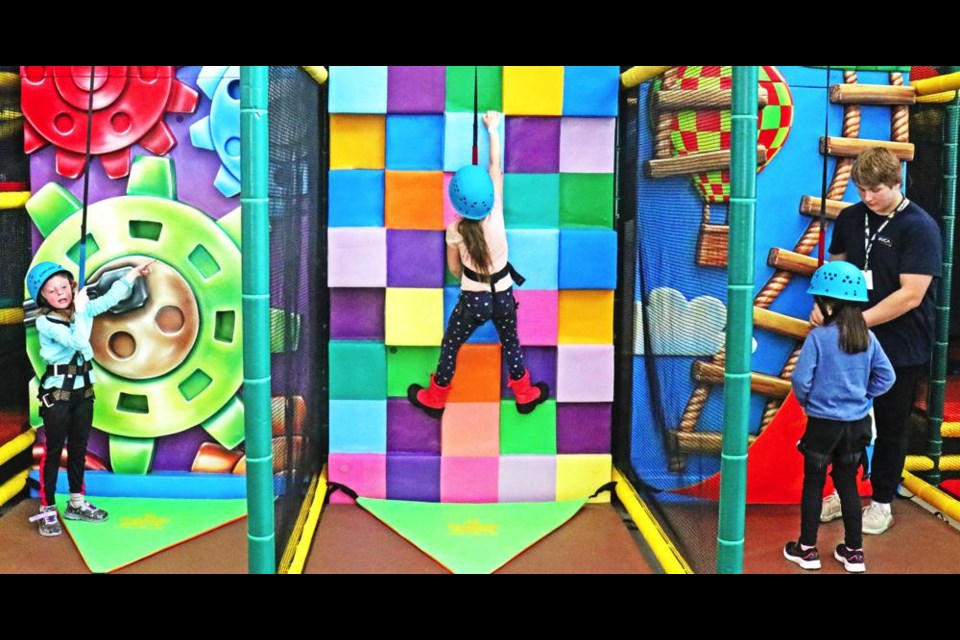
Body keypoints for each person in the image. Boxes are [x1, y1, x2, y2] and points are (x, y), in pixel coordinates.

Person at [814, 147, 942, 535]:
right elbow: (835, 267)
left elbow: (911, 295)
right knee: (842, 417)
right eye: (861, 189)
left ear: (896, 183)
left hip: (901, 341)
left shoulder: (919, 227)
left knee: (890, 423)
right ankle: (843, 490)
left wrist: (856, 324)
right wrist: (827, 308)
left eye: (876, 190)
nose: (868, 197)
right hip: (852, 340)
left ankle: (882, 500)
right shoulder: (852, 218)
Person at [408, 111, 548, 418]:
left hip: (474, 299)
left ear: (457, 202)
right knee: (511, 343)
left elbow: (454, 270)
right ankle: (524, 393)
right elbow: (495, 166)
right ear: (486, 196)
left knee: (451, 344)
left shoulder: (455, 231)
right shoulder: (496, 208)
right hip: (505, 296)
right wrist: (492, 129)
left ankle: (436, 397)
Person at [26, 258, 154, 536]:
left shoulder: (81, 309)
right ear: (42, 297)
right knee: (53, 450)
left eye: (64, 287)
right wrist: (82, 311)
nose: (61, 293)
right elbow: (78, 342)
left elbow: (110, 299)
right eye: (52, 290)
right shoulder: (45, 322)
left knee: (79, 449)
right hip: (58, 396)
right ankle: (47, 508)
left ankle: (76, 503)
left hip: (83, 394)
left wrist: (132, 275)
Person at [786, 261, 896, 572]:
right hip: (856, 425)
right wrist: (862, 397)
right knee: (847, 484)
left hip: (823, 425)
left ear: (826, 301)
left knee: (813, 483)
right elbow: (886, 378)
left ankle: (806, 549)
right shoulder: (867, 338)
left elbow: (800, 380)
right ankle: (854, 552)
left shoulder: (819, 338)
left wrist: (810, 403)